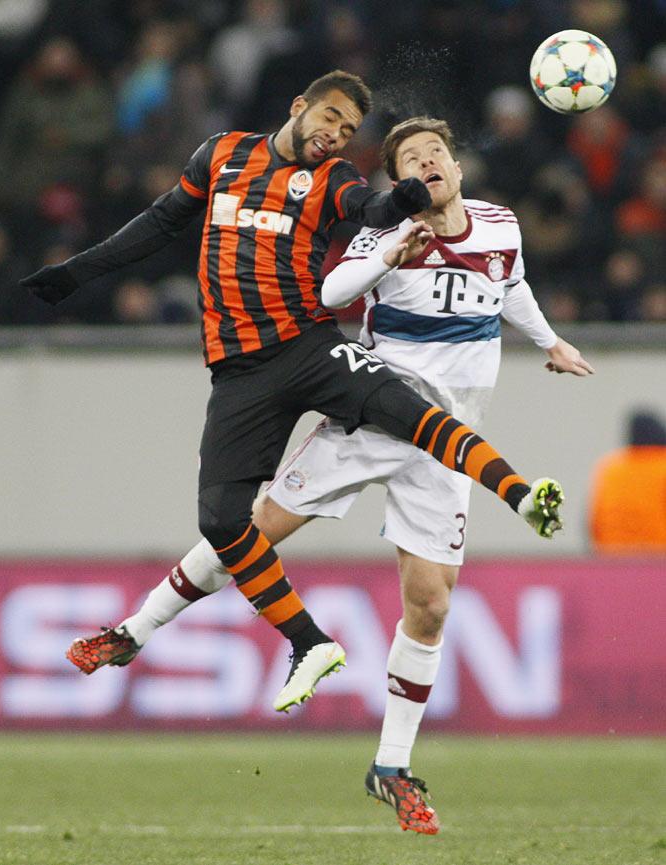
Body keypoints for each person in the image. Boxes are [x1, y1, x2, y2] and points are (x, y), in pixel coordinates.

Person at [62, 115, 579, 835]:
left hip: (448, 444)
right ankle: (135, 629)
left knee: (430, 604)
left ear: (458, 167)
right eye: (410, 158)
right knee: (258, 528)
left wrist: (549, 339)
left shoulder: (500, 223)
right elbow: (336, 291)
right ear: (398, 179)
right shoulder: (388, 230)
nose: (426, 164)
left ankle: (391, 767)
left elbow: (510, 283)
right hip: (376, 412)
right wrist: (396, 248)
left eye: (435, 154)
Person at [589, 409, 666, 553]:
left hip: (613, 560)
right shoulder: (663, 465)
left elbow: (594, 523)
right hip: (659, 562)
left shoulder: (610, 468)